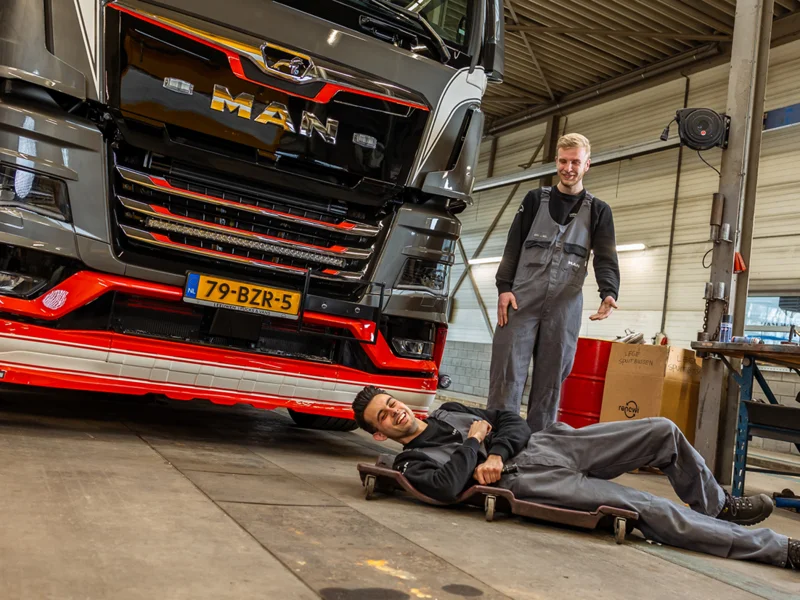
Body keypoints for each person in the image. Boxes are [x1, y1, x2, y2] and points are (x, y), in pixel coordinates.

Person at [351, 386, 799, 570]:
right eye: (383, 417)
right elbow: (447, 486)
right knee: (648, 507)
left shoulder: (450, 409)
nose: (395, 412)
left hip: (550, 444)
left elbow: (512, 421)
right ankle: (782, 550)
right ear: (379, 433)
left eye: (391, 403)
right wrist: (474, 444)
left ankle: (718, 505)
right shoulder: (410, 463)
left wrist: (497, 448)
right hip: (528, 482)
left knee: (662, 431)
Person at [488, 133, 620, 432]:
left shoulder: (599, 210)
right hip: (520, 301)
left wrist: (609, 291)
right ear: (556, 161)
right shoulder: (535, 200)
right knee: (507, 374)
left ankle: (537, 445)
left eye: (575, 162)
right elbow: (512, 246)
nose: (568, 168)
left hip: (564, 306)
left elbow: (605, 257)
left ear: (587, 164)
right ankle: (499, 440)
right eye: (563, 161)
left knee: (550, 382)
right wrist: (504, 288)